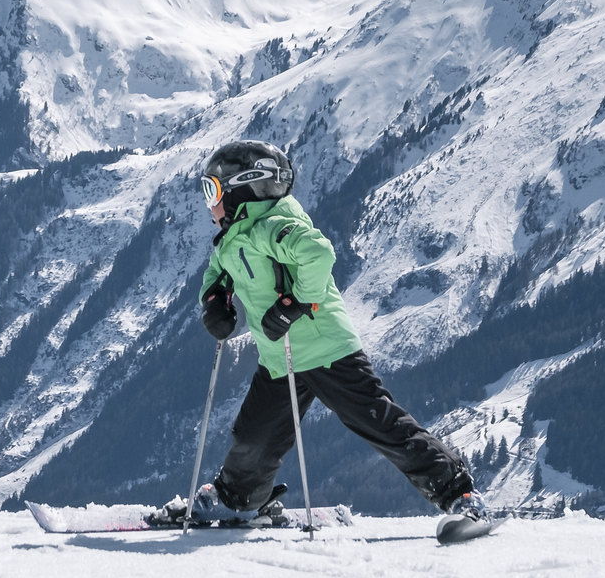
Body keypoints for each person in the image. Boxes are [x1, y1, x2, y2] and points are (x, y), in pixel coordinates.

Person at [190, 139, 494, 542]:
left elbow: (318, 254)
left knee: (380, 424)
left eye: (212, 189)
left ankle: (462, 495)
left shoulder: (274, 225)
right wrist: (214, 300)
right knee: (253, 436)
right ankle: (239, 499)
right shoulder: (234, 237)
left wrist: (293, 303)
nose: (208, 203)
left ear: (242, 188)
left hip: (326, 349)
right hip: (279, 358)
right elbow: (218, 271)